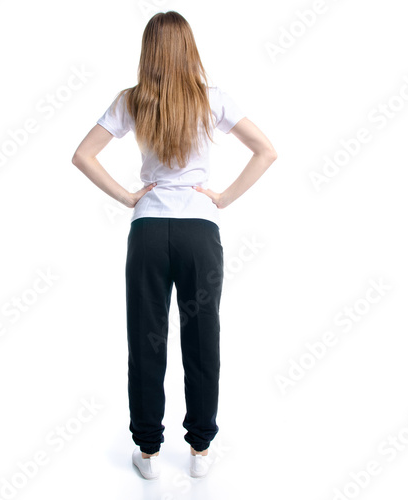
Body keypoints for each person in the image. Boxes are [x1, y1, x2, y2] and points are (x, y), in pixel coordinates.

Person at [71, 11, 277, 480]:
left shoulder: (133, 100)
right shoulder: (212, 100)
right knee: (203, 338)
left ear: (149, 50)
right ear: (189, 47)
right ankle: (200, 451)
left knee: (147, 338)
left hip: (148, 232)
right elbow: (267, 150)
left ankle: (147, 452)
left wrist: (128, 196)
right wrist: (221, 198)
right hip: (199, 234)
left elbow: (83, 154)